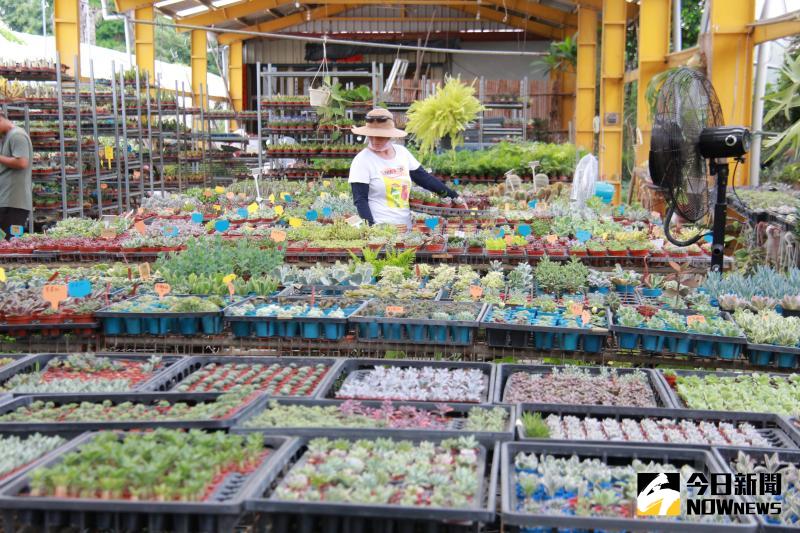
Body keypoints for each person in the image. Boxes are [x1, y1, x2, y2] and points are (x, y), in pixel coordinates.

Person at [348, 108, 466, 227]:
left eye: (380, 136)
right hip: (380, 227)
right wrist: (372, 229)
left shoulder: (402, 153)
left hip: (405, 227)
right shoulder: (362, 160)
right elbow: (360, 200)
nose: (374, 140)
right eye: (371, 136)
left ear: (390, 136)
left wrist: (454, 196)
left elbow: (424, 179)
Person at [0, 111, 32, 239]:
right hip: (7, 200)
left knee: (12, 242)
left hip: (14, 202)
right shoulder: (7, 137)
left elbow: (22, 162)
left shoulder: (17, 135)